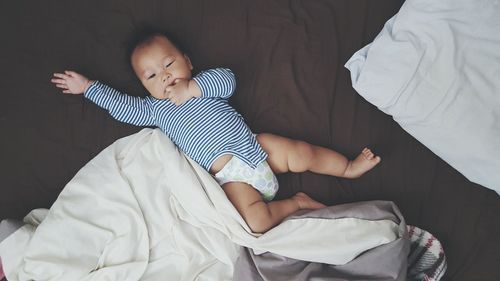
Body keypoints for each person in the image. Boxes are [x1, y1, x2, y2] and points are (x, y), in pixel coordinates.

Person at [51, 31, 381, 233]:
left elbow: (229, 78)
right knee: (256, 223)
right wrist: (90, 88)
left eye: (168, 64)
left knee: (302, 152)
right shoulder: (154, 110)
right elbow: (122, 106)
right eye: (151, 76)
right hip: (231, 178)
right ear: (145, 87)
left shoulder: (205, 85)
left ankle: (347, 168)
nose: (164, 76)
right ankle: (296, 203)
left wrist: (193, 88)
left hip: (256, 147)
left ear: (187, 61)